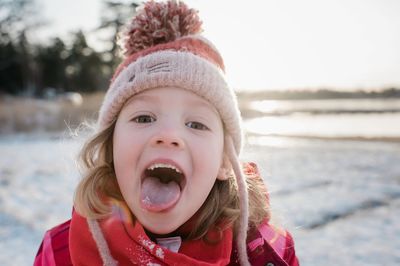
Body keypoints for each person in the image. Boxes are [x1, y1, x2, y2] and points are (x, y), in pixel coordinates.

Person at [34, 1, 299, 265]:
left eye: (196, 124)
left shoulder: (267, 252)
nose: (169, 134)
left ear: (225, 162)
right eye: (144, 117)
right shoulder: (59, 253)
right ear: (111, 147)